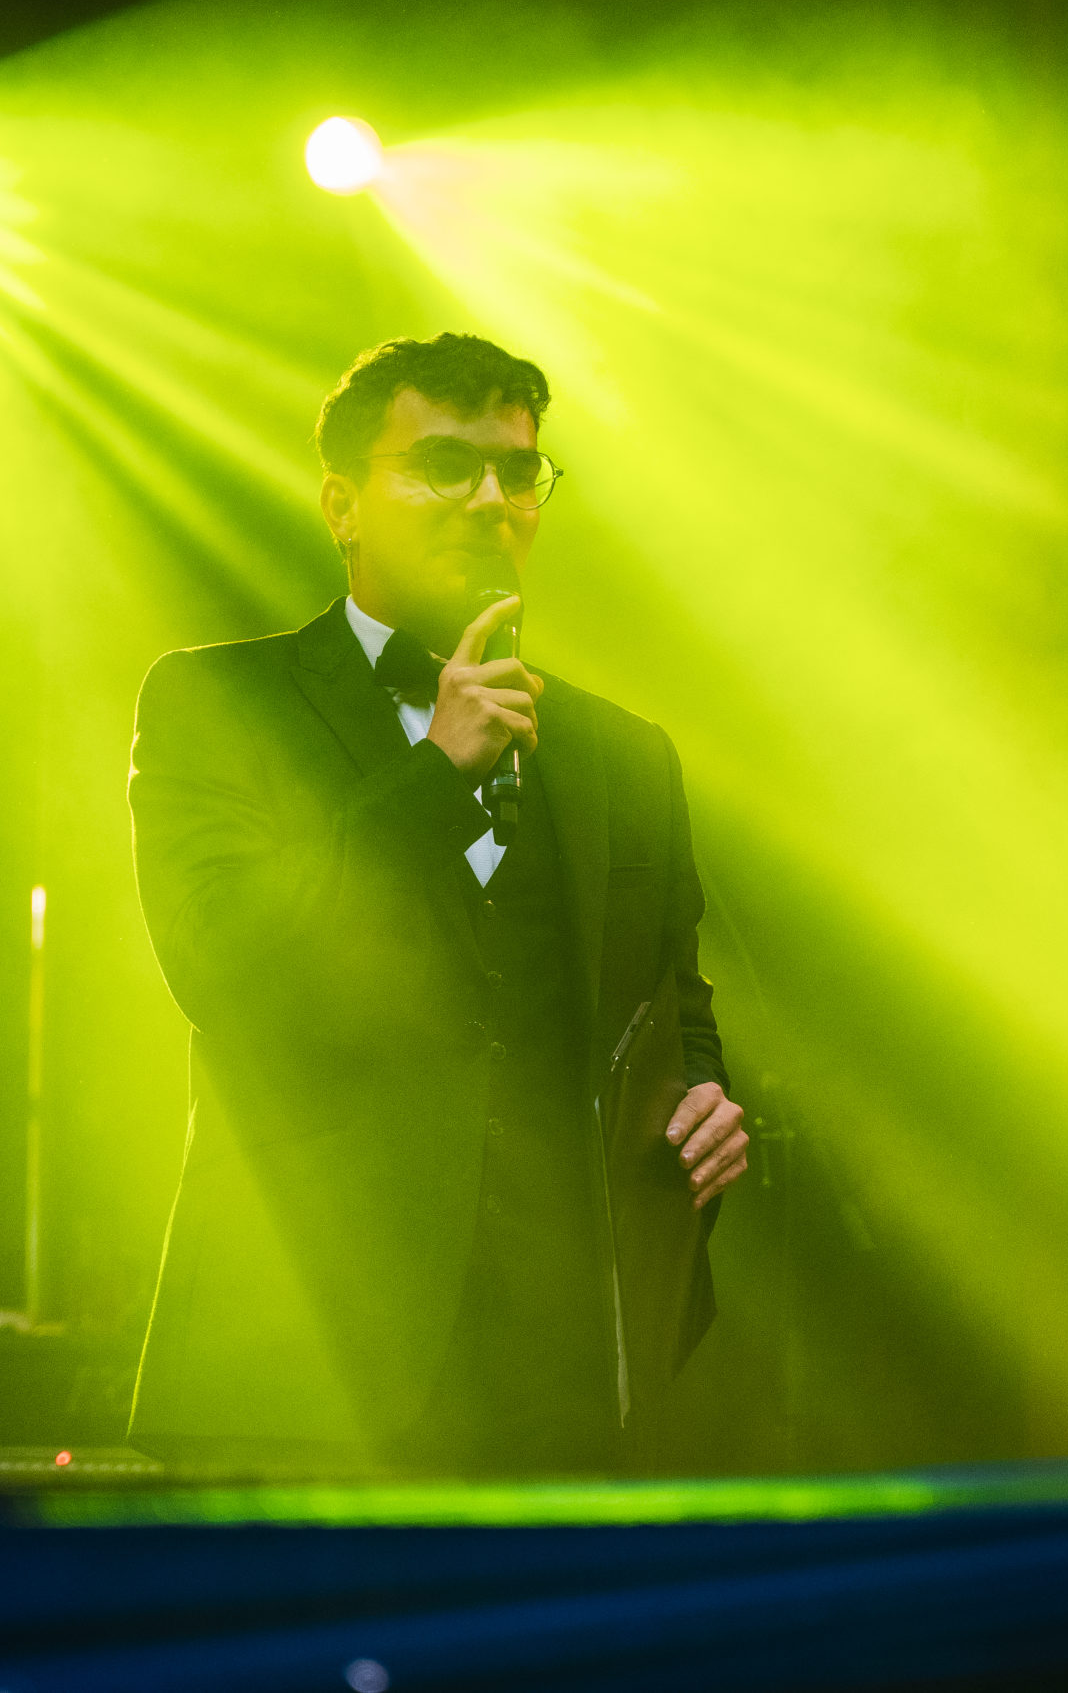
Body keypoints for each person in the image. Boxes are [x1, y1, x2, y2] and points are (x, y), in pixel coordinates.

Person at [124, 332, 748, 1477]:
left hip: (566, 1370)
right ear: (342, 506)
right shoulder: (216, 699)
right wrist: (431, 776)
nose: (489, 500)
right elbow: (221, 964)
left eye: (517, 472)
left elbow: (671, 1003)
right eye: (444, 465)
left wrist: (702, 1103)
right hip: (305, 1357)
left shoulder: (624, 755)